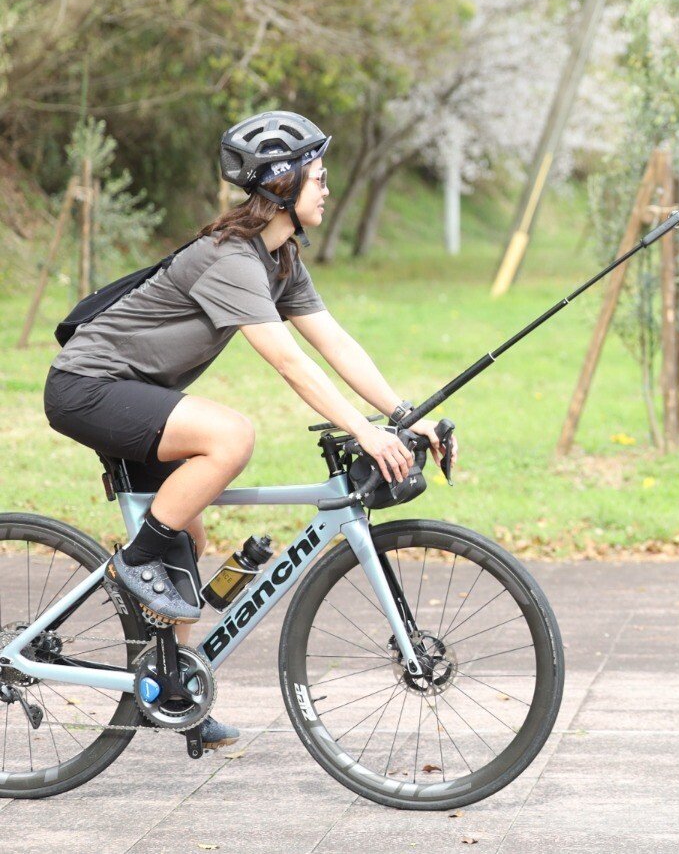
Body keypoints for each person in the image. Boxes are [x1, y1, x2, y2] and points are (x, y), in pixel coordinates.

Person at [42, 110, 451, 749]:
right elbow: (289, 361)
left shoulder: (279, 258)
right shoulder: (232, 258)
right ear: (283, 185)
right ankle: (134, 562)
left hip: (134, 393)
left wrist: (403, 415)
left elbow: (334, 342)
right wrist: (364, 433)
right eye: (318, 177)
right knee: (232, 436)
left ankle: (174, 694)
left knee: (189, 536)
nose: (326, 188)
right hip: (88, 388)